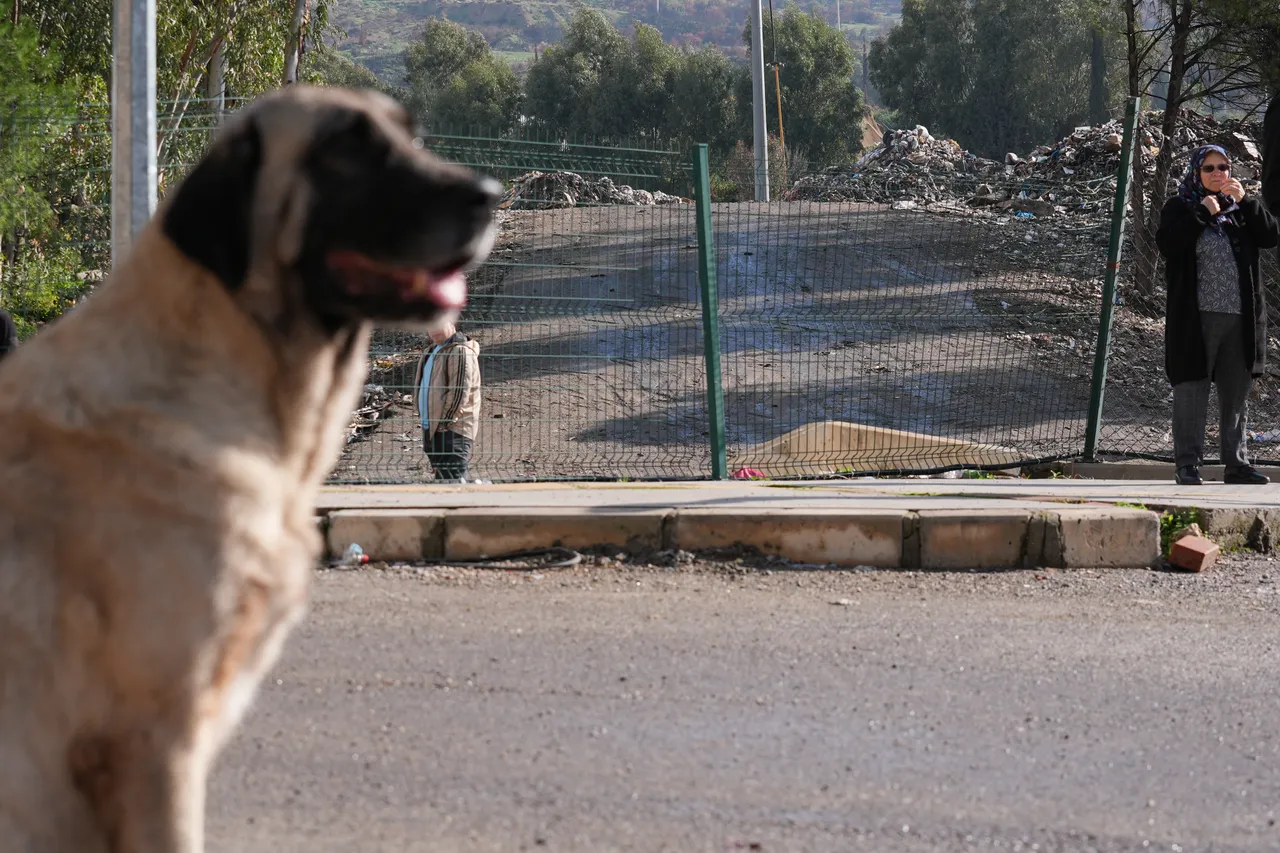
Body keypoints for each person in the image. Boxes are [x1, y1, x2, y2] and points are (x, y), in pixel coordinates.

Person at [1157, 144, 1280, 486]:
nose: (1217, 174)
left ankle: (1236, 464)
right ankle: (1187, 465)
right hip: (1196, 320)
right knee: (1191, 390)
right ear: (1196, 173)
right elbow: (1168, 244)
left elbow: (1270, 236)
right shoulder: (1180, 207)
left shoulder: (1240, 210)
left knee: (1235, 392)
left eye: (1223, 167)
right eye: (1208, 168)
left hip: (1241, 318)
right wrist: (1201, 212)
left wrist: (1249, 202)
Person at [412, 320, 481, 482]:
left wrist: (446, 421)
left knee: (453, 481)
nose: (433, 329)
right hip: (432, 427)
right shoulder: (430, 351)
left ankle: (467, 505)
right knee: (444, 480)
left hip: (453, 429)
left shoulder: (460, 351)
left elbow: (459, 392)